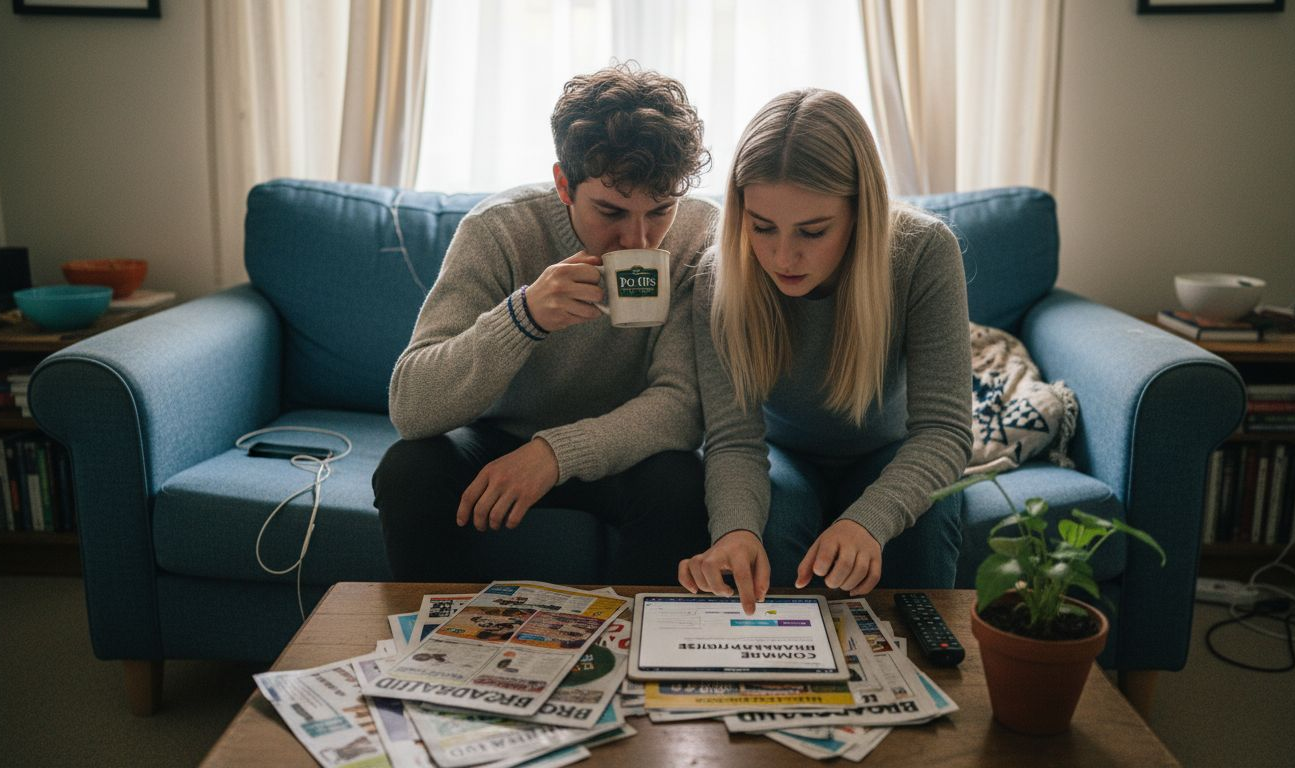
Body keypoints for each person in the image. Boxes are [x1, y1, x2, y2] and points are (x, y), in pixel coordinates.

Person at [375, 63, 717, 584]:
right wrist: (523, 317)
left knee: (680, 482)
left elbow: (681, 406)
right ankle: (438, 633)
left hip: (626, 446)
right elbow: (410, 406)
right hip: (501, 438)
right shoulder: (499, 230)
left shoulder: (699, 234)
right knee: (409, 469)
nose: (639, 241)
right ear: (564, 185)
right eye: (611, 212)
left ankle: (642, 636)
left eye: (660, 210)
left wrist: (554, 455)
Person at [679, 89, 972, 613]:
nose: (782, 257)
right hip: (782, 453)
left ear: (861, 212)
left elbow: (943, 431)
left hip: (891, 448)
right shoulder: (718, 277)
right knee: (766, 537)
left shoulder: (924, 251)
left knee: (924, 531)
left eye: (812, 232)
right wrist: (734, 532)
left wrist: (868, 522)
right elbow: (733, 439)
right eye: (762, 227)